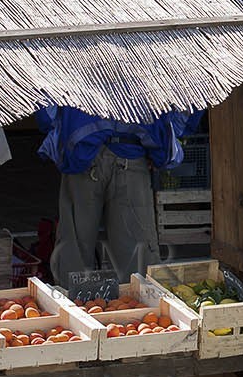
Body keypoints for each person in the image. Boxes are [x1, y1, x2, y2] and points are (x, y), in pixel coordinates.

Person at [35, 105, 201, 284]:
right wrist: (163, 144)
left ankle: (71, 305)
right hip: (130, 154)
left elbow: (45, 104)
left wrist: (62, 131)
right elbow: (188, 101)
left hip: (82, 148)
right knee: (137, 257)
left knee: (74, 248)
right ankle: (136, 308)